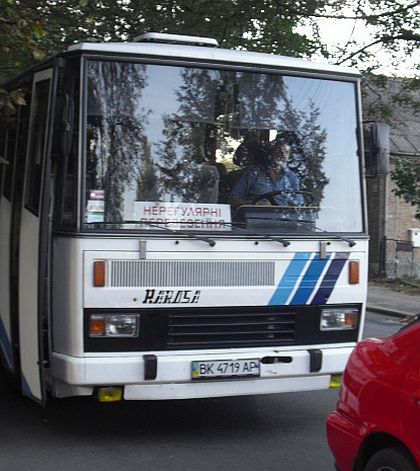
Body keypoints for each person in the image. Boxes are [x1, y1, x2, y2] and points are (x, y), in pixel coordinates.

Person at [228, 136, 304, 208]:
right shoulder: (253, 173)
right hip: (256, 218)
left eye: (286, 152)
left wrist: (295, 205)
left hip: (285, 219)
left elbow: (300, 204)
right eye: (279, 151)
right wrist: (254, 203)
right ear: (270, 154)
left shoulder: (292, 177)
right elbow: (232, 200)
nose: (283, 155)